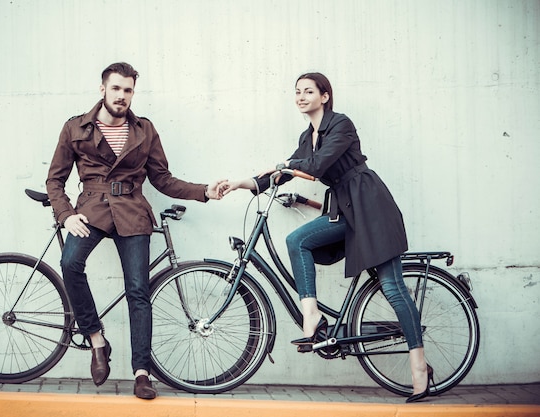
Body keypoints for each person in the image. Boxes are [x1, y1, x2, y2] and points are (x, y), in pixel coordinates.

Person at [219, 72, 433, 403]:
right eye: (297, 92)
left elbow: (315, 166)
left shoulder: (341, 125)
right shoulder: (309, 136)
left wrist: (287, 165)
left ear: (325, 96)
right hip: (345, 209)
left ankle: (420, 366)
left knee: (392, 287)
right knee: (298, 241)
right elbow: (283, 173)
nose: (301, 96)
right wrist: (240, 183)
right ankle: (312, 315)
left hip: (370, 207)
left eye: (308, 91)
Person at [46, 62, 223, 399]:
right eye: (116, 88)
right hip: (92, 210)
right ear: (103, 89)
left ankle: (142, 373)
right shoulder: (75, 127)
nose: (122, 96)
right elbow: (55, 179)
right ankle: (97, 339)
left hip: (132, 212)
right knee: (70, 263)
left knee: (139, 291)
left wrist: (204, 191)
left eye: (128, 90)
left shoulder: (144, 129)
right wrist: (66, 215)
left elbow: (162, 179)